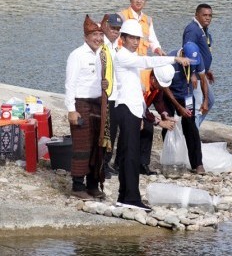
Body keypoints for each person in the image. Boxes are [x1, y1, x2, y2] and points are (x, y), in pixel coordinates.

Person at [113, 19, 190, 211]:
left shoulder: (129, 58)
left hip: (132, 110)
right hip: (125, 109)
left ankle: (125, 195)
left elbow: (138, 92)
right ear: (122, 38)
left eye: (137, 38)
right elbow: (147, 61)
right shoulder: (122, 56)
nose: (135, 41)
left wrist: (144, 116)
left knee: (128, 153)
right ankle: (130, 198)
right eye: (131, 38)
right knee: (129, 155)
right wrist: (174, 59)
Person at [65, 15, 106, 200]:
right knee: (82, 146)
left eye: (100, 34)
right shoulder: (77, 55)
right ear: (85, 37)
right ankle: (77, 185)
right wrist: (71, 109)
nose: (98, 38)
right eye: (94, 34)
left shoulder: (103, 54)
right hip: (81, 103)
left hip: (99, 104)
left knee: (98, 145)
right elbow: (69, 85)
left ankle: (93, 184)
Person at [162, 42, 209, 175]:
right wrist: (178, 107)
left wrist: (205, 100)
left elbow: (203, 78)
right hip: (169, 95)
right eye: (188, 61)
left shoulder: (196, 58)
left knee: (191, 126)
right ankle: (170, 161)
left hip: (187, 96)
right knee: (168, 124)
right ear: (182, 54)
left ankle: (197, 163)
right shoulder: (171, 60)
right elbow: (164, 87)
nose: (191, 64)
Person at [118, 0, 166, 95]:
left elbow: (152, 40)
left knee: (146, 90)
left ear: (145, 1)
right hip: (126, 63)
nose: (139, 1)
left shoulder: (147, 20)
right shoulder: (121, 16)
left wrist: (158, 49)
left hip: (141, 63)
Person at [139, 66, 176, 175]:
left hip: (142, 108)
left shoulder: (157, 84)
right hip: (129, 108)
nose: (161, 88)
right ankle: (120, 163)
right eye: (160, 85)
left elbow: (158, 101)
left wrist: (165, 115)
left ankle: (143, 164)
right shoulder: (141, 82)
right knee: (136, 128)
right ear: (153, 79)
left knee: (148, 128)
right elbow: (142, 109)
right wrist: (160, 122)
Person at [183, 3, 214, 128]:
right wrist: (192, 75)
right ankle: (192, 136)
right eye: (204, 15)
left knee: (209, 101)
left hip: (202, 73)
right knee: (196, 106)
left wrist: (207, 70)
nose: (208, 18)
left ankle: (193, 131)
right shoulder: (192, 30)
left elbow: (202, 52)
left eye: (210, 15)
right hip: (194, 75)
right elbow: (187, 51)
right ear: (196, 15)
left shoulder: (203, 30)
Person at [99, 13, 123, 179]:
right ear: (106, 27)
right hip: (104, 96)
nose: (115, 31)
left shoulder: (117, 48)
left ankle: (106, 162)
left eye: (118, 29)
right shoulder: (101, 46)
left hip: (116, 96)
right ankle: (100, 164)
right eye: (113, 28)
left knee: (112, 132)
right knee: (103, 132)